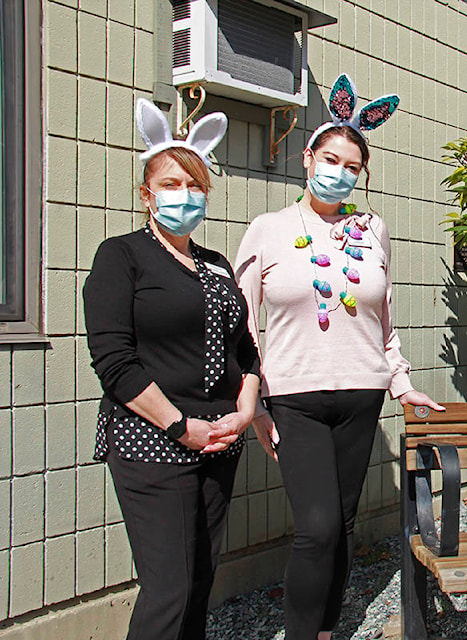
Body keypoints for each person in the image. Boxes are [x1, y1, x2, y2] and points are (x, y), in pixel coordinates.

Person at [235, 73, 444, 640]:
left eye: (353, 167)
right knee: (317, 527)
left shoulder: (372, 229)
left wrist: (400, 383)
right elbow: (243, 324)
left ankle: (327, 629)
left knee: (344, 524)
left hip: (360, 394)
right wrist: (253, 405)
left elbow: (384, 320)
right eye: (331, 159)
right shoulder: (268, 230)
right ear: (307, 157)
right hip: (293, 397)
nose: (341, 173)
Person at [83, 100, 261, 640]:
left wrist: (246, 411)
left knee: (201, 579)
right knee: (170, 588)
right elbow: (114, 362)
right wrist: (180, 426)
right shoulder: (122, 257)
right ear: (147, 194)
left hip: (218, 440)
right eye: (171, 184)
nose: (184, 196)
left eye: (195, 186)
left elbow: (244, 350)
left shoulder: (216, 263)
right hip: (153, 440)